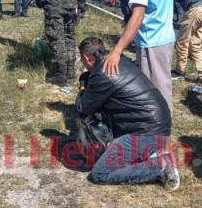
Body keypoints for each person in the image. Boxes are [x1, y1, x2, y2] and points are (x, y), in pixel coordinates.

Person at [75, 37, 179, 188]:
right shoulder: (119, 60)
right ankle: (152, 153)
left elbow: (83, 109)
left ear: (85, 57)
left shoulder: (102, 72)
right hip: (159, 124)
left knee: (100, 174)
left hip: (147, 132)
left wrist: (83, 86)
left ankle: (158, 167)